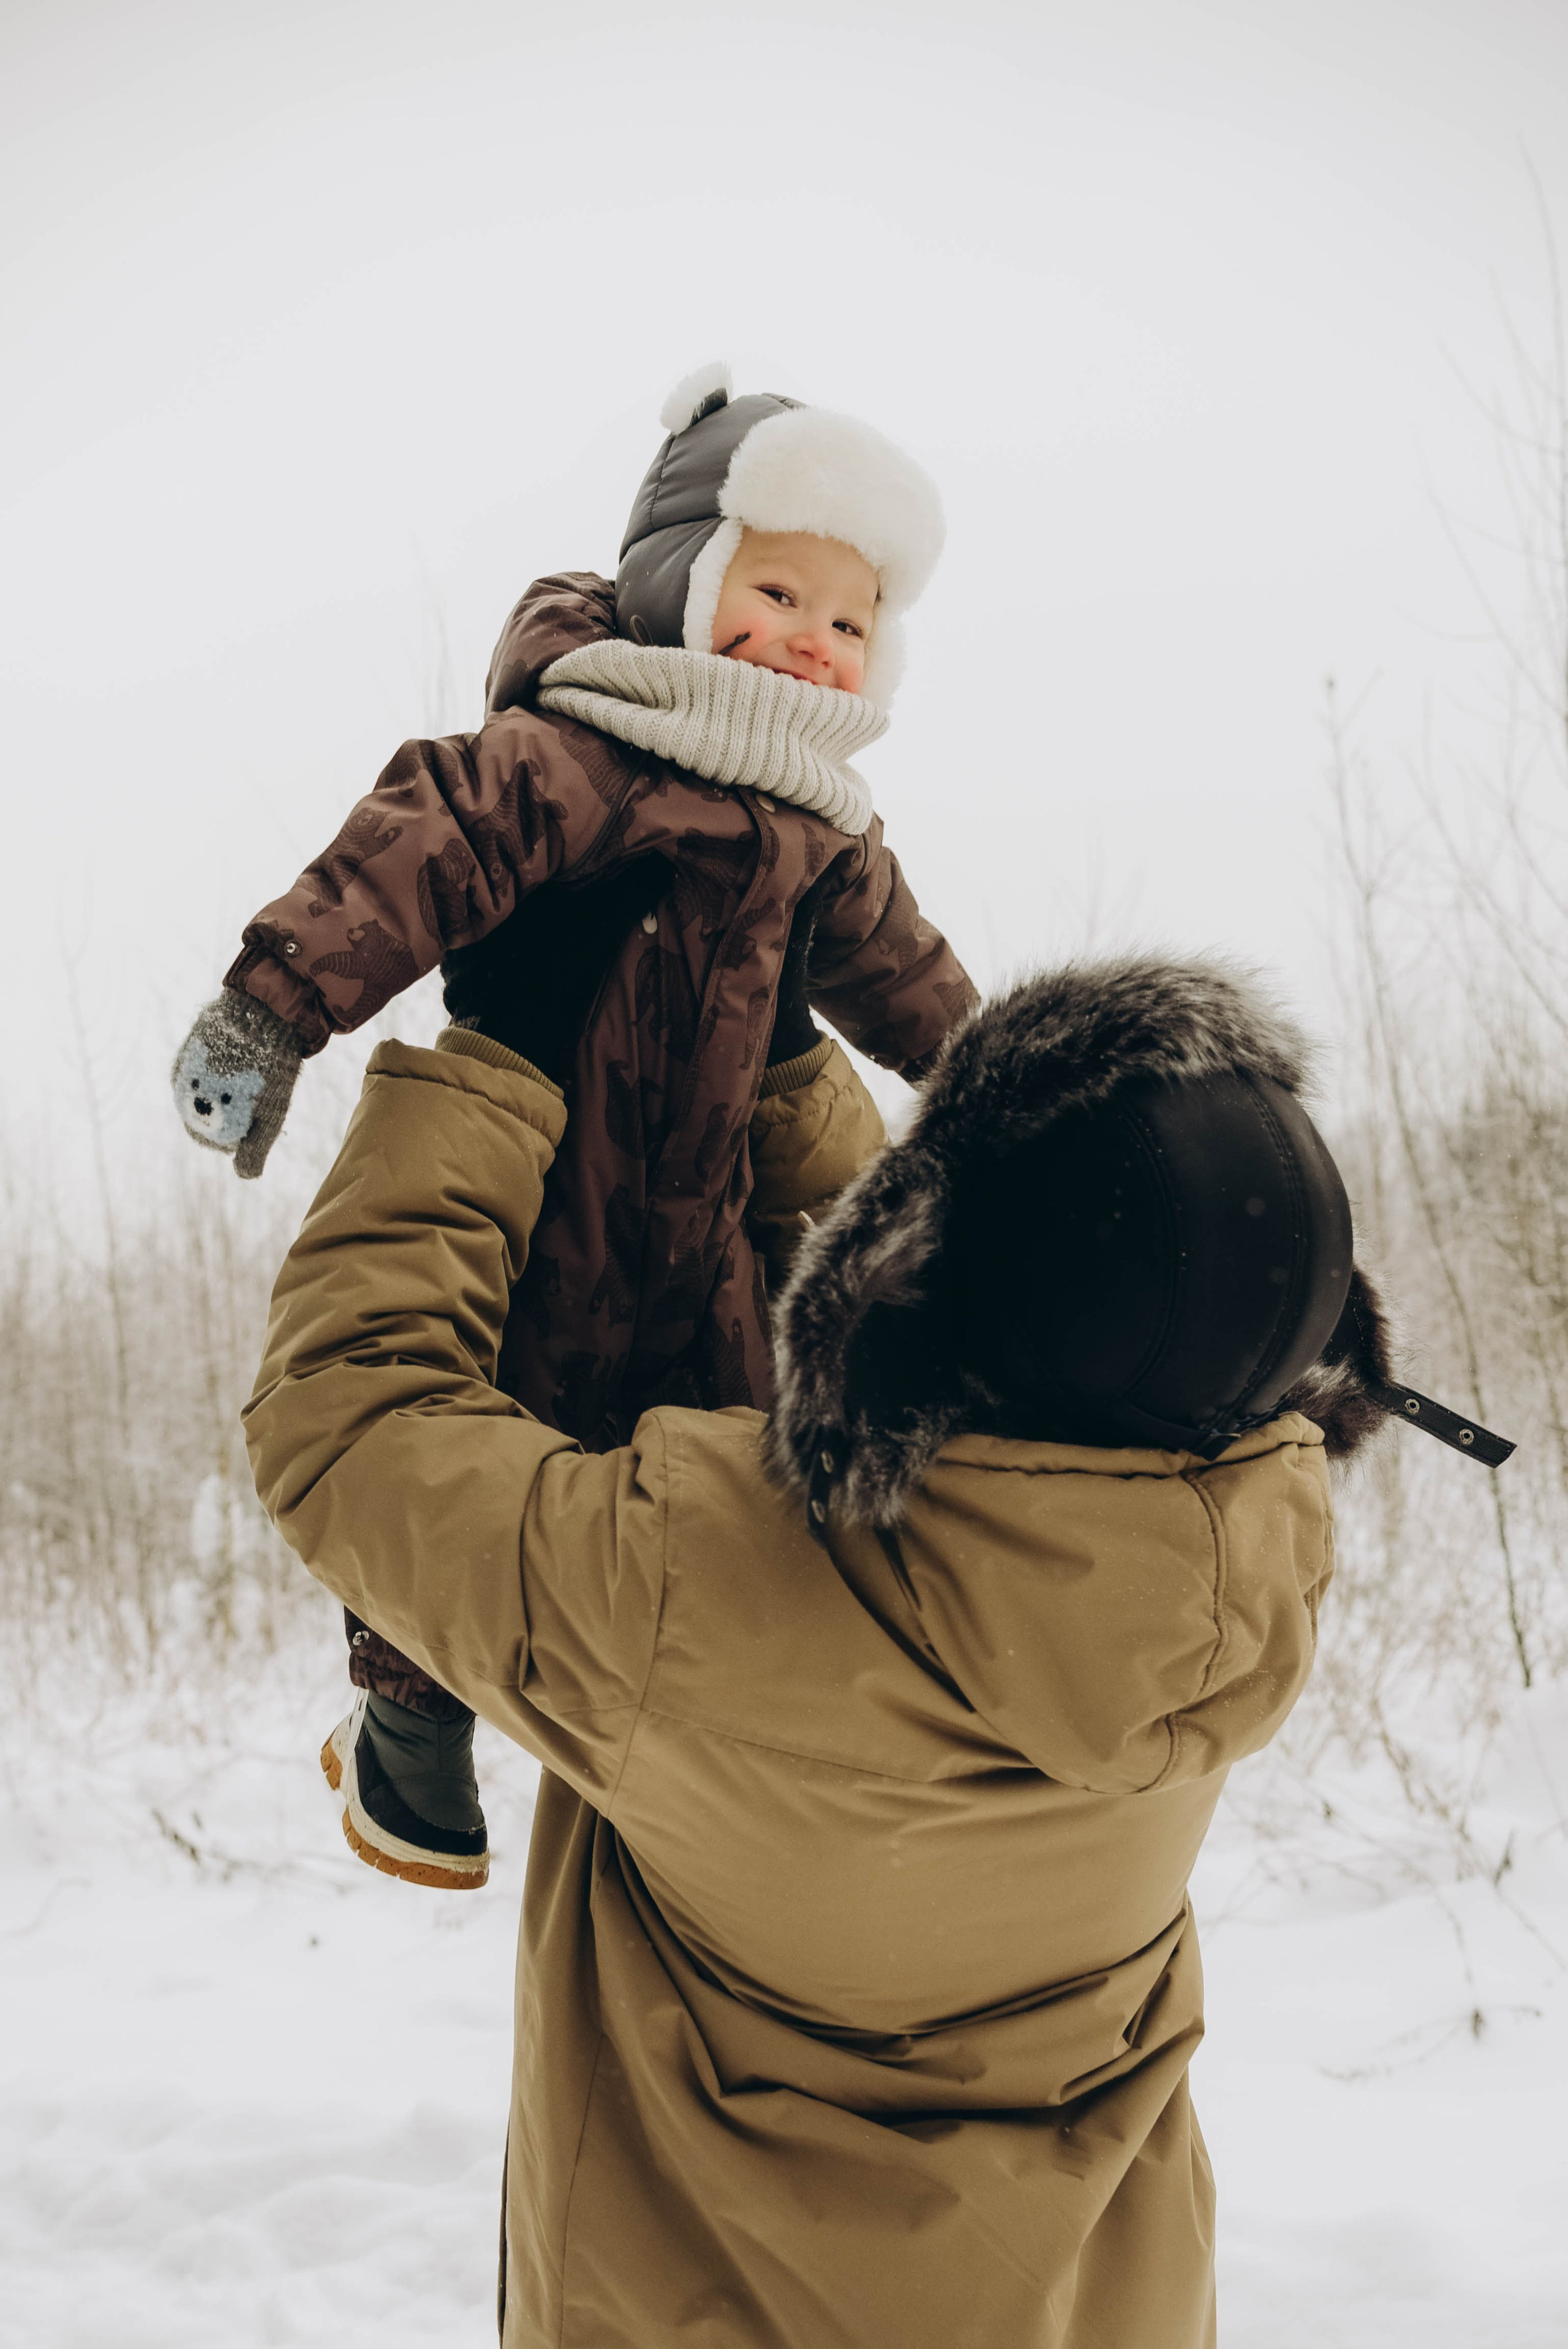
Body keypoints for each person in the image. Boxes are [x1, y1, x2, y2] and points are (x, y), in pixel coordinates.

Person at [246, 937, 1471, 2348]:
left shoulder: (698, 1586)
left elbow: (348, 1416)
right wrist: (781, 1071)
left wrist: (497, 1059)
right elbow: (1007, 1338)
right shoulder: (1233, 1565)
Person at [171, 365, 978, 1883]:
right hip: (534, 1197)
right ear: (684, 579)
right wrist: (273, 1003)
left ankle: (703, 1772)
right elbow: (418, 845)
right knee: (474, 1442)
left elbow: (918, 985)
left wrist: (1019, 1095)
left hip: (711, 1226)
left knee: (739, 1459)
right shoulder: (583, 750)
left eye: (849, 619)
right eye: (777, 592)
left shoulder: (827, 834)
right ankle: (409, 1734)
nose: (812, 639)